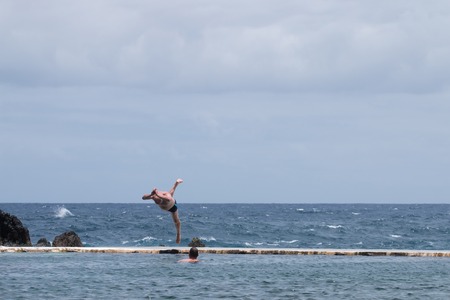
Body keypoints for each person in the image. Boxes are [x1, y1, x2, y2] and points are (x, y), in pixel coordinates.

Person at [142, 178, 183, 244]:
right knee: (170, 193)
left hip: (172, 206)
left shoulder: (165, 195)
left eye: (158, 201)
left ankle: (178, 235)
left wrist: (158, 195)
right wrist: (151, 194)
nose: (157, 202)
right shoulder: (153, 196)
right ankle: (176, 183)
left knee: (176, 221)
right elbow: (143, 197)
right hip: (164, 203)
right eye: (155, 201)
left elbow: (169, 198)